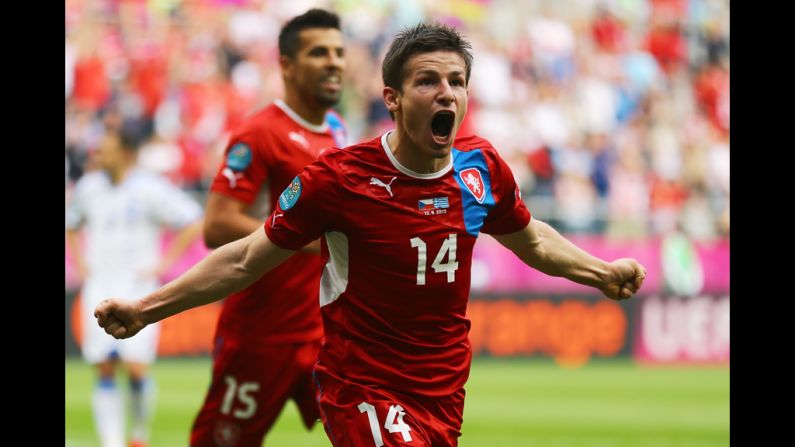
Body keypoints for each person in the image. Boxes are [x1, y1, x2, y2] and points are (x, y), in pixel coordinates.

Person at [95, 23, 646, 447]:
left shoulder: (483, 171)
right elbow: (244, 259)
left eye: (456, 82)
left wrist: (600, 272)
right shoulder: (339, 179)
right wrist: (148, 308)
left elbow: (534, 241)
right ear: (394, 98)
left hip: (442, 388)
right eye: (428, 81)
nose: (446, 93)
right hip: (360, 385)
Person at [190, 9, 347, 447]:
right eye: (319, 53)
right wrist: (312, 241)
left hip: (323, 331)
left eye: (339, 52)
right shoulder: (260, 133)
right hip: (262, 333)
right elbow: (218, 225)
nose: (334, 61)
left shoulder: (337, 129)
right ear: (286, 65)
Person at [66, 125, 203, 447]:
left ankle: (139, 432)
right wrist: (80, 262)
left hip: (138, 287)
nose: (100, 154)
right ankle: (111, 442)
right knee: (103, 366)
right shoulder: (89, 187)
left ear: (126, 152)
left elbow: (192, 219)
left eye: (108, 148)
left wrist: (164, 264)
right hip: (99, 285)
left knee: (136, 368)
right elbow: (71, 224)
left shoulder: (150, 188)